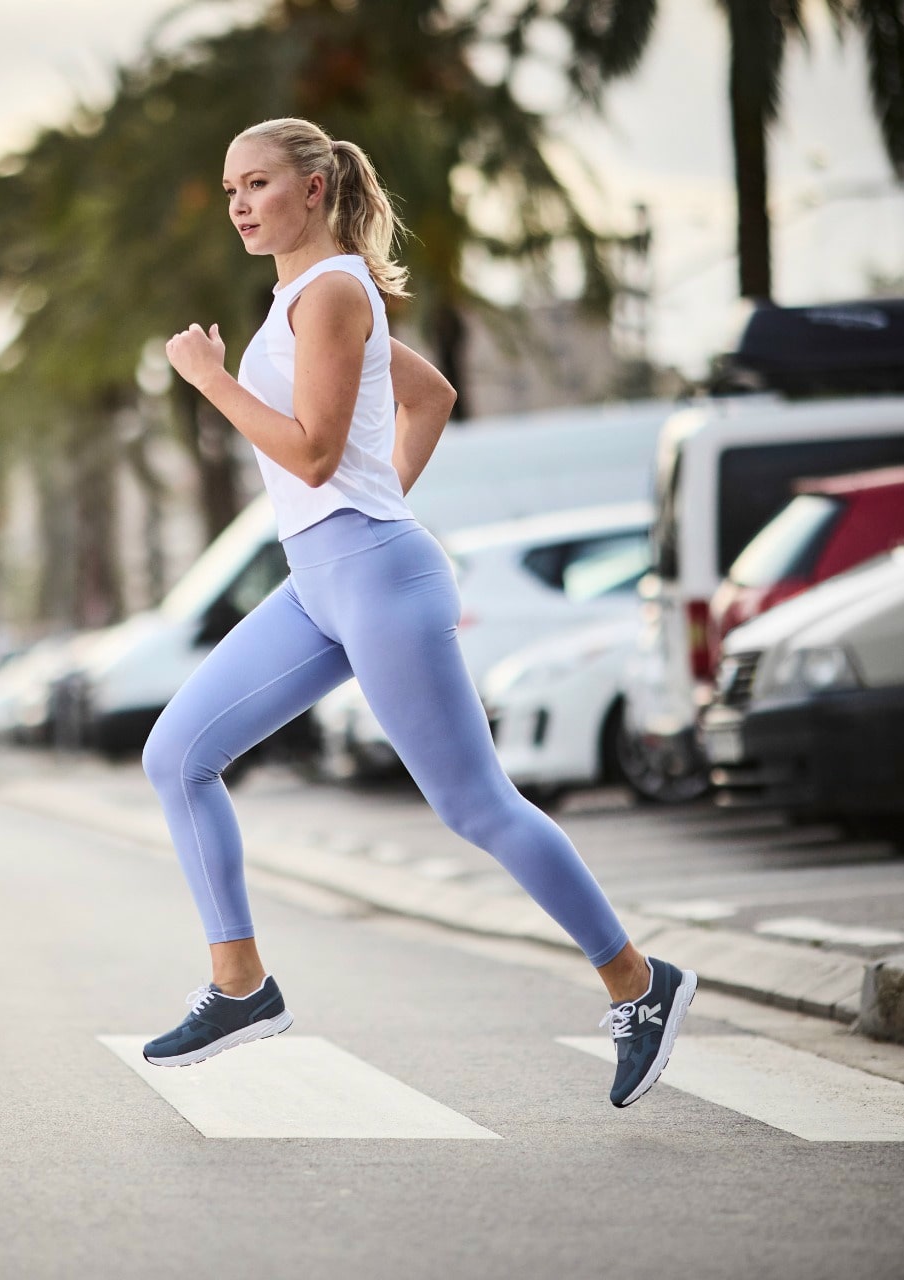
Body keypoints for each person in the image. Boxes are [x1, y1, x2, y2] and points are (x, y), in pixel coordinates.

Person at [140, 118, 694, 1108]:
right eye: (230, 188)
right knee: (176, 754)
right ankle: (240, 984)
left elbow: (310, 453)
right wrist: (376, 495)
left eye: (257, 183)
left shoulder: (337, 292)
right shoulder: (303, 299)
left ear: (313, 188)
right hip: (324, 576)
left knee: (474, 805)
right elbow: (429, 397)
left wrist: (212, 382)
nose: (239, 204)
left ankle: (639, 982)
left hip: (376, 576)